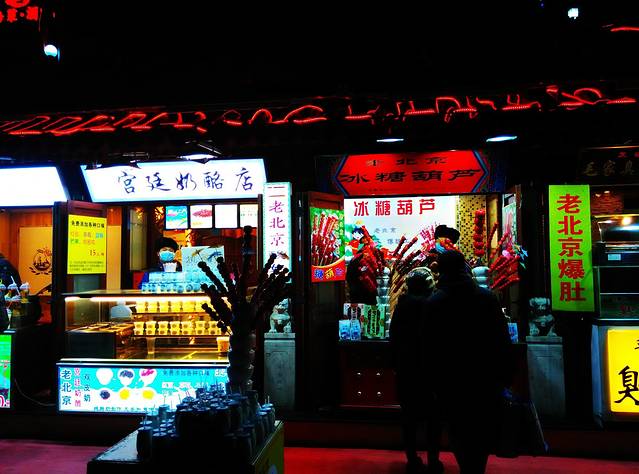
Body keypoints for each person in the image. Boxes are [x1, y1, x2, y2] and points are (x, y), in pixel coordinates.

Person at [422, 250, 512, 474]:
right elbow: (502, 339)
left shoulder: (435, 302)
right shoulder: (487, 298)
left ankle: (467, 466)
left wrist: (430, 379)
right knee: (481, 428)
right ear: (464, 268)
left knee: (457, 428)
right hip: (485, 377)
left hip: (450, 379)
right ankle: (476, 467)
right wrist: (505, 374)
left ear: (442, 271)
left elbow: (428, 346)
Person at [390, 266, 443, 474]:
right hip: (431, 369)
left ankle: (412, 459)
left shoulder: (402, 306)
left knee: (409, 417)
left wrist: (396, 364)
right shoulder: (434, 305)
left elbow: (394, 338)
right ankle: (434, 460)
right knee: (434, 418)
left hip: (407, 369)